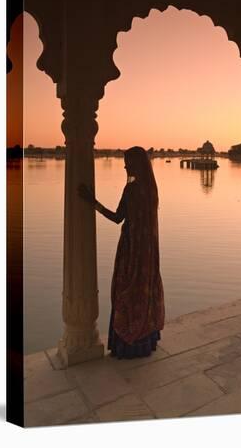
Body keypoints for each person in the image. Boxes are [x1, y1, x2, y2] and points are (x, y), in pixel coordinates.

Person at [78, 146, 165, 359]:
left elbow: (118, 218)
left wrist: (92, 202)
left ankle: (127, 343)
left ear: (136, 164)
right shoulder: (151, 189)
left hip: (131, 250)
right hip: (148, 252)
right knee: (143, 290)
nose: (125, 166)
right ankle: (145, 340)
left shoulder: (133, 189)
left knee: (126, 290)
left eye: (127, 162)